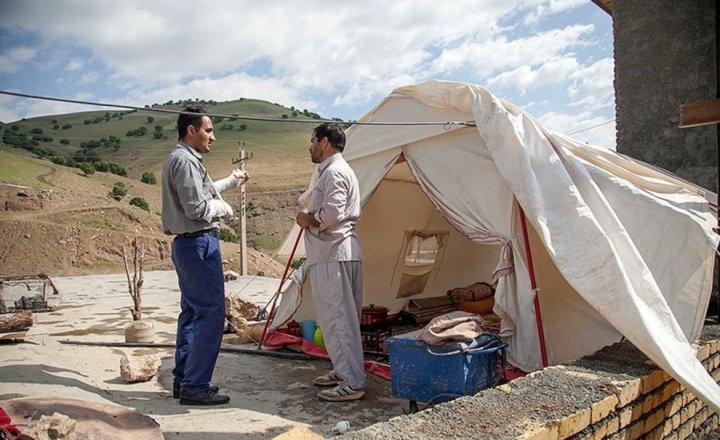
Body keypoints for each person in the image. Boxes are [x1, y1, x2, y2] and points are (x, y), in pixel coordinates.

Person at [161, 105, 249, 406]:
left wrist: (231, 181)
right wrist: (223, 209)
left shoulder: (184, 159)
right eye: (208, 130)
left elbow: (204, 190)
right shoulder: (185, 161)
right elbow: (197, 208)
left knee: (192, 314)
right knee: (211, 314)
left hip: (189, 245)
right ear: (191, 130)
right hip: (198, 244)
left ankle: (185, 381)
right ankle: (195, 386)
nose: (212, 136)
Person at [295, 122, 365, 402]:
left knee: (337, 319)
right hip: (339, 252)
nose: (310, 146)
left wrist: (308, 219)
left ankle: (352, 383)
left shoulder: (334, 172)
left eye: (313, 140)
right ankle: (344, 370)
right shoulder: (337, 170)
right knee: (339, 319)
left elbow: (333, 211)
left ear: (324, 142)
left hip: (332, 253)